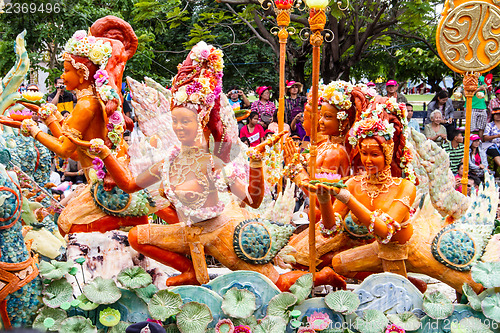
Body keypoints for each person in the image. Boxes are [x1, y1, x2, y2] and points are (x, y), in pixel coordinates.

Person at [70, 41, 343, 290]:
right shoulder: (170, 159)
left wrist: (256, 163)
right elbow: (129, 185)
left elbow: (253, 200)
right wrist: (106, 154)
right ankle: (189, 271)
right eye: (175, 121)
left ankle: (323, 276)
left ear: (199, 123)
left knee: (276, 283)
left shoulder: (215, 163)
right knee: (138, 236)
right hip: (190, 234)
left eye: (185, 122)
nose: (178, 128)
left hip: (223, 233)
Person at [310, 99, 417, 279]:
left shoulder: (404, 186)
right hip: (377, 250)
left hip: (406, 249)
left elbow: (384, 232)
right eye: (364, 153)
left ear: (387, 155)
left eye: (375, 155)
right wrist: (324, 200)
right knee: (338, 263)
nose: (367, 161)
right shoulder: (353, 183)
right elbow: (330, 230)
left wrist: (348, 200)